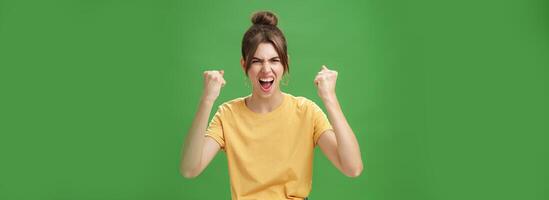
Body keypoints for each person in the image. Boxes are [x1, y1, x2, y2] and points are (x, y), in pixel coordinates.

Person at [180, 10, 363, 200]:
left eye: (274, 60)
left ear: (285, 64)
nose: (266, 70)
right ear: (244, 66)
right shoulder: (228, 115)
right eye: (257, 61)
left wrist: (330, 98)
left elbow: (353, 167)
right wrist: (206, 100)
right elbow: (189, 169)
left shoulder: (306, 111)